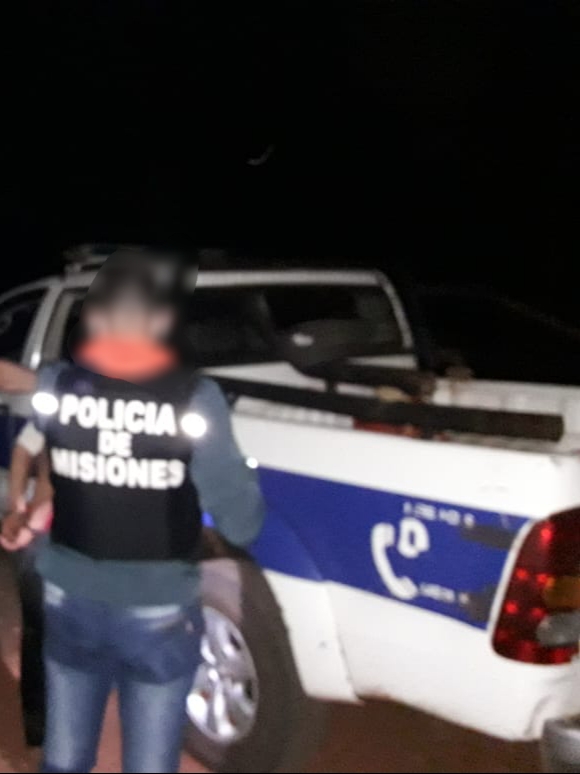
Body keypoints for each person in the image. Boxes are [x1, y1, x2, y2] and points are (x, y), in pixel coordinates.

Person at [0, 247, 265, 774]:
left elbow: (15, 384)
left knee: (65, 757)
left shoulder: (60, 387)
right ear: (162, 321)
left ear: (96, 318)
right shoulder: (196, 399)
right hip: (156, 607)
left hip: (69, 599)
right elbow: (241, 522)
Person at [1, 436, 53, 747]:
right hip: (46, 535)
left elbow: (22, 451)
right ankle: (39, 729)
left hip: (46, 533)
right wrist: (20, 511)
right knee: (39, 630)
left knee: (40, 631)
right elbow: (23, 450)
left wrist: (18, 509)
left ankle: (41, 729)